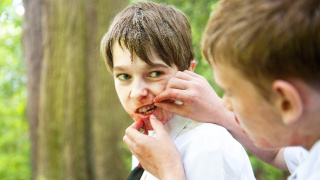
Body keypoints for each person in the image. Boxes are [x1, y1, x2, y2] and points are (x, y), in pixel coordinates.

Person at [123, 0, 320, 179]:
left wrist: (170, 172)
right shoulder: (311, 145)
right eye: (124, 76)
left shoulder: (209, 144)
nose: (223, 102)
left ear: (285, 102)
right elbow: (280, 152)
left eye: (231, 93)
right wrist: (219, 112)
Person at [100, 1, 256, 179]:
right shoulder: (149, 141)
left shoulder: (208, 145)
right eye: (124, 76)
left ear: (188, 72)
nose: (137, 93)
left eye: (155, 73)